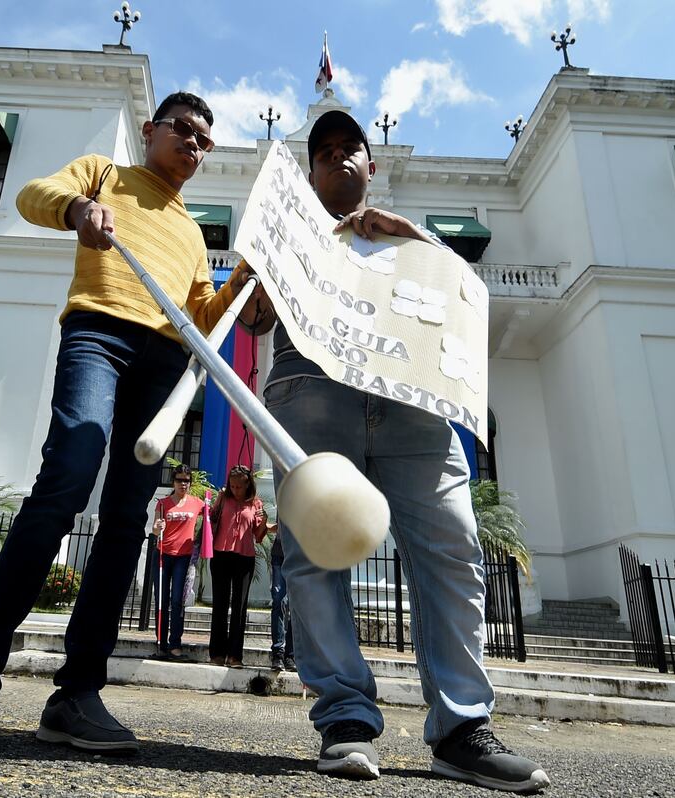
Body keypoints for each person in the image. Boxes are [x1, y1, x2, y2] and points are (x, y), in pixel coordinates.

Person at [0, 91, 254, 755]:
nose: (194, 145)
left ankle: (76, 695)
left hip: (164, 362)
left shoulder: (191, 231)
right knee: (67, 475)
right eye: (183, 130)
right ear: (150, 129)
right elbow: (33, 194)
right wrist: (77, 209)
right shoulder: (104, 172)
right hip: (98, 334)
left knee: (125, 517)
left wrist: (243, 281)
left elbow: (204, 318)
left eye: (204, 141)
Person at [241, 110, 551, 793]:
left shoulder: (413, 238)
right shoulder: (291, 232)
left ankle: (463, 728)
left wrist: (413, 237)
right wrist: (270, 257)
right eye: (323, 151)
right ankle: (345, 719)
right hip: (312, 389)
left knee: (452, 547)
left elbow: (462, 301)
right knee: (314, 555)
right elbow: (254, 317)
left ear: (370, 164)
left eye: (349, 147)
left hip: (413, 397)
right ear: (310, 173)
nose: (337, 157)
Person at [207, 464, 265, 667]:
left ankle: (234, 656)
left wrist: (263, 521)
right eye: (232, 486)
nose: (235, 490)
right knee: (220, 604)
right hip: (220, 554)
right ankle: (217, 654)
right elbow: (211, 519)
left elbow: (258, 535)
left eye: (239, 486)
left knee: (239, 607)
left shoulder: (256, 503)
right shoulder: (223, 498)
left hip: (244, 557)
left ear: (248, 485)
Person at [151, 464, 206, 660]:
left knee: (177, 601)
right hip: (163, 554)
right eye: (179, 480)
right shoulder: (163, 503)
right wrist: (158, 527)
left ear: (190, 483)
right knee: (161, 600)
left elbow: (212, 516)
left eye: (186, 481)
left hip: (184, 557)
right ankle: (161, 644)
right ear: (173, 482)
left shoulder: (197, 503)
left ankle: (175, 644)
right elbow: (154, 530)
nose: (183, 484)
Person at [266, 517, 295, 672]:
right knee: (279, 601)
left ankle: (291, 654)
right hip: (280, 553)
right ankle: (278, 653)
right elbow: (281, 526)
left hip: (299, 557)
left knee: (295, 604)